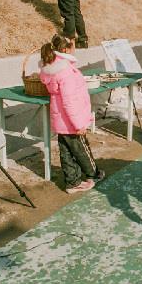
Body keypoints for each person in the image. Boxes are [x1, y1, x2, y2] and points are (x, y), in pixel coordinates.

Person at [39, 35, 105, 193]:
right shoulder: (66, 71)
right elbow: (70, 102)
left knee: (66, 152)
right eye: (73, 46)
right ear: (65, 49)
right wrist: (79, 124)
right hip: (72, 121)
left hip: (61, 121)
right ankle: (93, 174)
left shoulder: (52, 68)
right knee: (81, 149)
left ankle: (72, 182)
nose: (75, 49)